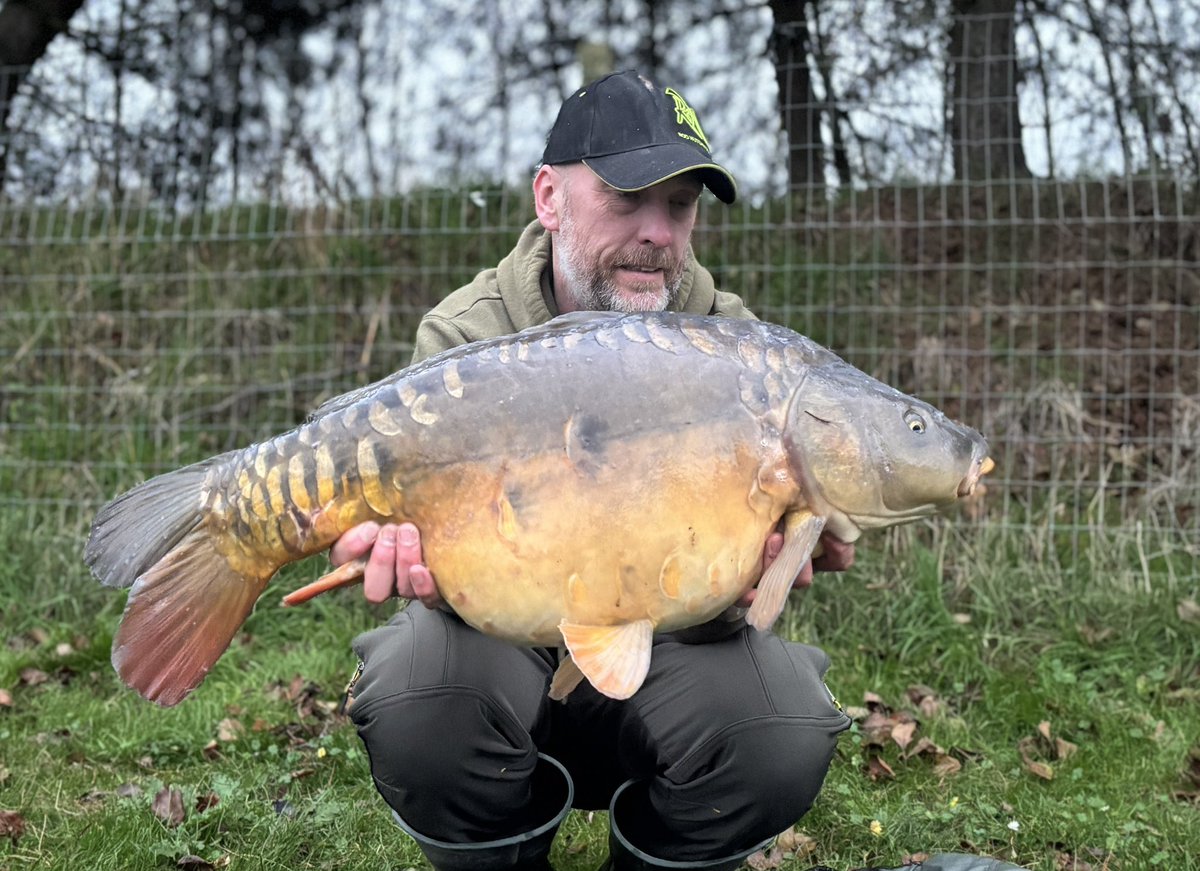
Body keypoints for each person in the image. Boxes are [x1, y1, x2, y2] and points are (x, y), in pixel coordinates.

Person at [330, 70, 856, 871]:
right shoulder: (469, 336)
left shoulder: (740, 351)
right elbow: (437, 564)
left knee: (779, 727)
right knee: (416, 696)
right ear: (550, 196)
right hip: (505, 658)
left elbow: (770, 569)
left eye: (679, 206)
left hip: (672, 659)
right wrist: (424, 564)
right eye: (627, 199)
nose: (658, 232)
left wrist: (763, 570)